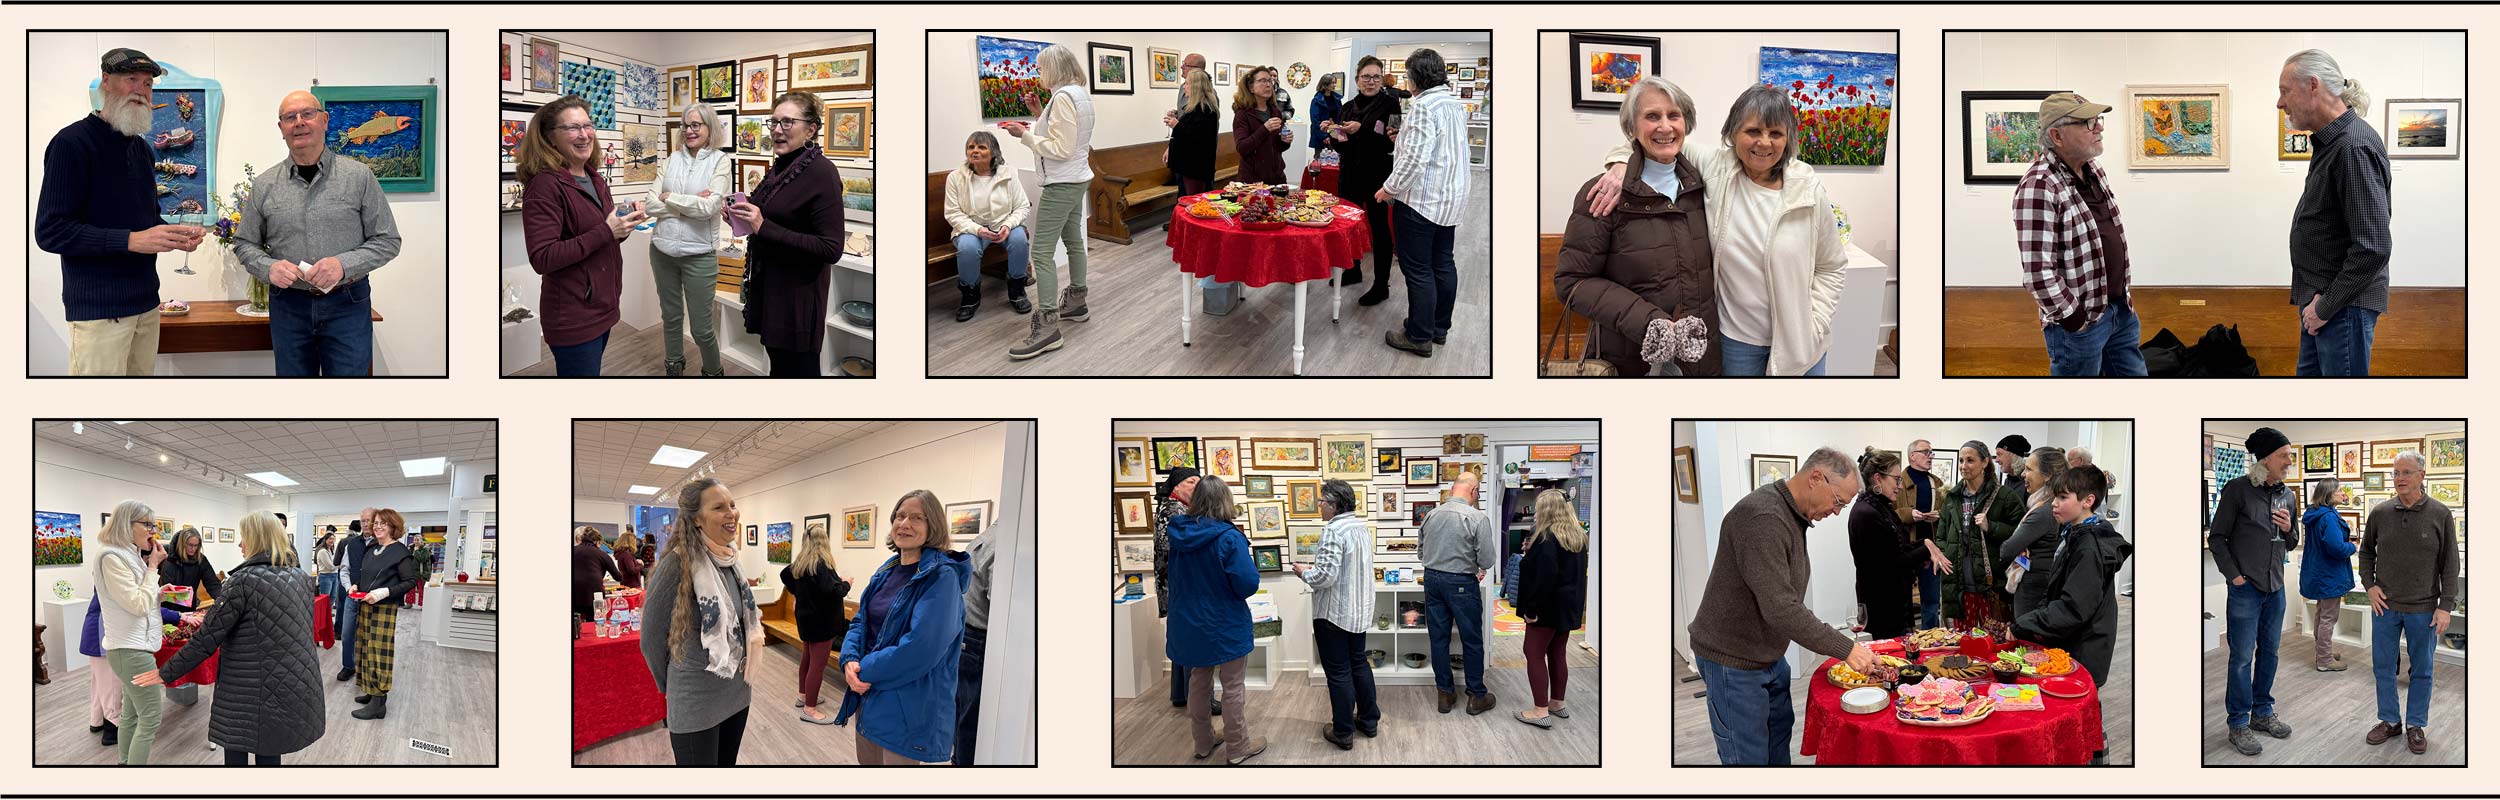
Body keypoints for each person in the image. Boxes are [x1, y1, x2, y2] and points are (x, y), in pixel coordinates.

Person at [1585, 84, 1848, 375]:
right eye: (1753, 131)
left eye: (1776, 134)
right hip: (1737, 343)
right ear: (1733, 133)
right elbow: (1658, 139)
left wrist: (1815, 324)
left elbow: (1832, 266)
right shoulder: (1716, 167)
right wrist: (1621, 164)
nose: (1764, 143)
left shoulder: (1808, 190)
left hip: (1802, 346)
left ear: (1788, 140)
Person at [1691, 448, 1875, 764]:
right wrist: (1847, 648)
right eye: (1838, 501)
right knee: (1747, 757)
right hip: (1733, 659)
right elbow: (1780, 607)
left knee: (1777, 748)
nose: (1836, 511)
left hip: (1768, 654)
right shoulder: (1763, 517)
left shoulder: (1790, 513)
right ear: (1816, 477)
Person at [36, 47, 207, 376]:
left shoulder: (141, 149)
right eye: (131, 79)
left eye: (147, 84)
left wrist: (172, 236)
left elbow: (145, 222)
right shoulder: (71, 144)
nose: (141, 91)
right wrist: (130, 240)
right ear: (106, 82)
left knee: (136, 414)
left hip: (147, 307)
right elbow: (50, 231)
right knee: (99, 420)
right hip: (100, 316)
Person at [1554, 75, 1721, 376]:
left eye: (1674, 116)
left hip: (1700, 359)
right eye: (1652, 116)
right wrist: (1650, 323)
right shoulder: (1603, 193)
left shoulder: (1703, 187)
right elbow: (1572, 281)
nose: (1665, 127)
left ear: (1687, 124)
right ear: (1631, 128)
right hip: (1630, 359)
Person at [132, 511, 324, 765]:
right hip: (292, 681)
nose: (240, 544)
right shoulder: (300, 578)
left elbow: (206, 639)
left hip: (249, 687)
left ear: (257, 539)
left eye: (244, 537)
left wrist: (165, 672)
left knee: (238, 747)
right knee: (270, 749)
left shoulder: (243, 581)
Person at [233, 90, 402, 376]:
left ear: (324, 120)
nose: (299, 122)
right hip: (288, 307)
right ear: (281, 129)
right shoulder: (264, 185)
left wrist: (343, 265)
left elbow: (388, 240)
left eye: (307, 114)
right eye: (290, 117)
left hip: (347, 303)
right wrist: (267, 267)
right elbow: (244, 243)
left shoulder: (359, 177)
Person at [2009, 92, 2142, 376]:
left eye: (2097, 120)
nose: (2099, 127)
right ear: (2057, 136)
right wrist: (2073, 318)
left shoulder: (2094, 170)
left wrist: (2120, 302)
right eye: (2087, 122)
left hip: (2120, 311)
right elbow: (2037, 273)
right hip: (2081, 325)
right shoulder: (2039, 185)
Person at [834, 489, 970, 764]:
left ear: (933, 526)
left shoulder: (941, 579)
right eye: (900, 515)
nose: (904, 523)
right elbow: (861, 621)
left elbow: (919, 648)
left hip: (907, 704)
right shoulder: (888, 569)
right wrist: (849, 660)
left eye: (917, 518)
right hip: (869, 693)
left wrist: (863, 670)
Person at [2278, 50, 2392, 376]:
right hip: (2326, 304)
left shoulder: (2352, 146)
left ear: (2312, 85)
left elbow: (2373, 247)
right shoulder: (2335, 143)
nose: (2280, 103)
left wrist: (2325, 307)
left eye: (2285, 91)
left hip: (2340, 307)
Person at [2010, 464, 2132, 766]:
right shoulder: (2076, 534)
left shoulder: (2088, 545)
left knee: (2080, 721)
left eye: (2063, 497)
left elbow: (2073, 608)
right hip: (2080, 642)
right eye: (2054, 497)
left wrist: (2022, 625)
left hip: (2085, 646)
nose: (2054, 503)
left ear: (2087, 500)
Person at [641, 478, 761, 765]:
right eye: (719, 507)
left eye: (732, 504)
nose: (731, 513)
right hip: (696, 700)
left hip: (737, 693)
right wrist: (671, 686)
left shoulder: (731, 560)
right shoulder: (677, 564)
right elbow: (651, 640)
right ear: (696, 518)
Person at [520, 96, 642, 375]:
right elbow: (543, 257)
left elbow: (604, 235)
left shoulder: (593, 176)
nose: (584, 134)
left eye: (588, 125)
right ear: (550, 138)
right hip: (573, 315)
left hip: (602, 305)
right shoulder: (544, 185)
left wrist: (623, 225)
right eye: (573, 128)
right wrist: (606, 230)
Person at [726, 91, 846, 377]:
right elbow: (767, 216)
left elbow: (831, 248)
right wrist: (740, 216)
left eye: (788, 122)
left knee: (798, 374)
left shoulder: (822, 173)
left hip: (797, 300)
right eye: (774, 122)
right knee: (780, 369)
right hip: (772, 289)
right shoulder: (782, 166)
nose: (778, 130)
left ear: (811, 129)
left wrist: (763, 226)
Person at [2359, 451, 2459, 754]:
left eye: (2406, 472)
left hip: (2425, 608)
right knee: (2383, 667)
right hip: (2385, 607)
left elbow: (2450, 564)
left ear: (2421, 476)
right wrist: (2369, 585)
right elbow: (2366, 553)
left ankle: (2415, 724)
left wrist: (2446, 606)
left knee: (2423, 670)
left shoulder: (2440, 514)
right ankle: (2390, 721)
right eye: (2395, 473)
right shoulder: (2380, 512)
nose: (2399, 479)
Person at [1001, 44, 1096, 362]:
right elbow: (1068, 136)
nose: (1038, 73)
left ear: (1054, 68)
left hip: (1063, 183)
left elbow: (1062, 148)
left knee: (1041, 253)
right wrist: (1039, 113)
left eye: (1041, 68)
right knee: (1073, 242)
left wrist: (1024, 135)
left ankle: (1048, 327)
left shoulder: (1066, 97)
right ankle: (1077, 303)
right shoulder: (1077, 94)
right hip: (1077, 178)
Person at [1162, 476, 1266, 764]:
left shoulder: (1179, 534)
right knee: (1232, 686)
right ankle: (1238, 747)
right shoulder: (1228, 537)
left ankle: (1204, 742)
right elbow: (1246, 584)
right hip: (1224, 623)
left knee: (1198, 682)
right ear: (1224, 501)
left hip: (1189, 623)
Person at [2210, 426, 2300, 756]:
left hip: (2275, 587)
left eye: (2289, 455)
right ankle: (2238, 722)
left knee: (2271, 653)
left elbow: (2292, 541)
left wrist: (2290, 529)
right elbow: (2217, 538)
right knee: (2241, 658)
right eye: (2283, 456)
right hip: (2246, 589)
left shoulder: (2288, 495)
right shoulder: (2237, 491)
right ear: (2265, 459)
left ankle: (2262, 712)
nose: (2289, 461)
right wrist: (2234, 576)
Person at [1378, 49, 1470, 359]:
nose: (1407, 80)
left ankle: (1419, 335)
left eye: (1407, 75)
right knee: (1443, 263)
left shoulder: (1422, 106)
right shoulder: (1453, 104)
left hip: (1421, 201)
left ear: (1416, 77)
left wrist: (1388, 189)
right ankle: (1438, 328)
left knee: (1417, 269)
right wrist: (1401, 139)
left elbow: (1415, 161)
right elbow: (1437, 148)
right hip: (1449, 200)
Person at [1287, 479, 1379, 747]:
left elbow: (1324, 577)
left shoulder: (1334, 530)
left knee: (1339, 673)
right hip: (1357, 613)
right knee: (1359, 665)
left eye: (1322, 502)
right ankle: (1369, 721)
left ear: (1334, 504)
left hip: (1334, 615)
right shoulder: (1359, 528)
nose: (1319, 507)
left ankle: (1343, 732)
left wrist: (1304, 572)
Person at [642, 103, 732, 376]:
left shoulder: (721, 161)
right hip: (662, 251)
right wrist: (690, 203)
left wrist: (670, 198)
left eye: (696, 125)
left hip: (699, 255)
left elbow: (710, 207)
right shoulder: (671, 160)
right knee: (670, 318)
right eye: (686, 125)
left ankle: (713, 372)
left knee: (702, 328)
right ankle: (673, 366)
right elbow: (649, 204)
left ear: (709, 128)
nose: (689, 131)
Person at [95, 500, 170, 763]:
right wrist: (153, 568)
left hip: (132, 648)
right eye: (148, 524)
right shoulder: (112, 557)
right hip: (131, 651)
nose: (153, 530)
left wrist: (159, 593)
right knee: (150, 717)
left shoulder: (127, 554)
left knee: (132, 715)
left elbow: (138, 600)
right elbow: (137, 605)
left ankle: (124, 764)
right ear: (128, 525)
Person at [1421, 471, 1500, 714]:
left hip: (1432, 579)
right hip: (1462, 582)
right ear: (1474, 491)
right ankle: (1476, 695)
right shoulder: (1476, 518)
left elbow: (1420, 553)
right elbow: (1487, 560)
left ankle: (1445, 694)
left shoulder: (1430, 515)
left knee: (1439, 639)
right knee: (1472, 639)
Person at [1327, 56, 1404, 304]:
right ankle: (1352, 269)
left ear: (1381, 79)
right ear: (1357, 79)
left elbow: (1390, 143)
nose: (1370, 82)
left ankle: (1381, 285)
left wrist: (1361, 130)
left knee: (1379, 229)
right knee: (1349, 225)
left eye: (1376, 77)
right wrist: (1334, 135)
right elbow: (1342, 147)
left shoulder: (1391, 104)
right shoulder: (1347, 106)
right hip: (1349, 174)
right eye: (1366, 77)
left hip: (1378, 175)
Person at [1512, 489, 1589, 729]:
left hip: (1545, 610)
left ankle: (1539, 710)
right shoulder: (1577, 538)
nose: (1535, 513)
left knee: (1533, 653)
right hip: (1567, 609)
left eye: (1538, 508)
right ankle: (1557, 703)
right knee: (1558, 654)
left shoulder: (1546, 539)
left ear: (1547, 510)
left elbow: (1543, 579)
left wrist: (1531, 610)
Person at [944, 130, 1032, 322]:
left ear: (994, 152)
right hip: (971, 228)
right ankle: (970, 297)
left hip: (1003, 225)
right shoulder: (955, 178)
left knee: (1019, 239)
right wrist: (978, 230)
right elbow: (952, 213)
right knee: (967, 248)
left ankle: (1017, 291)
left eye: (981, 147)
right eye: (971, 147)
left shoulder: (1009, 174)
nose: (974, 151)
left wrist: (1008, 225)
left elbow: (1023, 206)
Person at [774, 512, 851, 725]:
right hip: (822, 623)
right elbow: (836, 591)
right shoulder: (821, 566)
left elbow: (785, 575)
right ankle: (810, 709)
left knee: (807, 658)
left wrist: (798, 594)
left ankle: (803, 695)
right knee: (817, 665)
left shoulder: (801, 564)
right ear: (823, 542)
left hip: (806, 621)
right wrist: (847, 582)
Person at [1938, 440, 2024, 629]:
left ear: (1985, 462)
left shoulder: (2005, 496)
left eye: (1970, 460)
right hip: (1959, 584)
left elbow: (2021, 533)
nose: (1963, 466)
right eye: (1961, 460)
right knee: (1962, 642)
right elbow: (1941, 535)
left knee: (1993, 643)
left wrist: (1991, 526)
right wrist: (1946, 557)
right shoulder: (1953, 498)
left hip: (1990, 585)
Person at [351, 508, 419, 721]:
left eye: (384, 523)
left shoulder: (400, 552)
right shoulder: (372, 548)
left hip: (384, 608)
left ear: (393, 527)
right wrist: (356, 585)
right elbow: (366, 576)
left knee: (379, 653)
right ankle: (372, 692)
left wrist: (382, 593)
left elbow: (410, 582)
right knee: (364, 649)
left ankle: (379, 703)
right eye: (376, 523)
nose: (378, 526)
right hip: (365, 605)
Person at [1847, 448, 1917, 640]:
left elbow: (1898, 548)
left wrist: (1924, 545)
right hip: (1883, 606)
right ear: (1878, 479)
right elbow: (1893, 564)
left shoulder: (1880, 507)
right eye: (1897, 479)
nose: (1900, 486)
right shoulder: (1867, 513)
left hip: (1891, 602)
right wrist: (1927, 549)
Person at [1150, 467, 1203, 710]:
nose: (1196, 486)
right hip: (1179, 585)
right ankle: (1198, 697)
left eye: (1199, 482)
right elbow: (1169, 545)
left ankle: (1182, 694)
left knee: (1183, 638)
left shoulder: (1177, 508)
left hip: (1176, 585)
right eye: (1191, 481)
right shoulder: (1172, 510)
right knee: (1191, 641)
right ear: (1176, 486)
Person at [2000, 446, 2070, 620]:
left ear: (2047, 475)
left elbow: (2007, 550)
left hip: (2033, 586)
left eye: (2029, 469)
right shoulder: (2049, 506)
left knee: (2027, 640)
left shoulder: (2043, 511)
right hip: (2039, 581)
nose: (2023, 474)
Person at [2299, 477, 2356, 672]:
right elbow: (2336, 548)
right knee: (2328, 617)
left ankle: (2323, 652)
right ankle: (2324, 660)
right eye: (2339, 490)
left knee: (2322, 614)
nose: (2343, 493)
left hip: (2320, 573)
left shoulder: (2315, 513)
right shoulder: (2329, 517)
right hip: (2329, 574)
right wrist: (2353, 547)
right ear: (2329, 494)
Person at [955, 515, 999, 766]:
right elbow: (1001, 605)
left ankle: (959, 760)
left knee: (964, 713)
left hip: (968, 636)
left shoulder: (984, 539)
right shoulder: (1003, 544)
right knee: (973, 718)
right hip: (981, 639)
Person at [1893, 440, 1948, 629]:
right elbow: (1888, 514)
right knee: (1903, 603)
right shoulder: (1897, 481)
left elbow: (1948, 514)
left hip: (1930, 552)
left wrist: (1938, 516)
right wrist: (1910, 514)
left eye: (1932, 452)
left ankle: (1930, 642)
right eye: (1926, 452)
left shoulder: (1937, 483)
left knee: (1931, 603)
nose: (1930, 456)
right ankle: (1907, 643)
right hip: (1906, 551)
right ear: (1912, 455)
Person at [1230, 65, 1293, 184]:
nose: (1268, 85)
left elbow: (1278, 148)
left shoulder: (1275, 111)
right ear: (1251, 87)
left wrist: (1285, 141)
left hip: (1277, 178)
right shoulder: (1242, 114)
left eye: (1270, 80)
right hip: (1252, 182)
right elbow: (1242, 148)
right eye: (1262, 81)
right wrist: (1265, 129)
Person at [1167, 70, 1222, 197]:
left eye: (1187, 83)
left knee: (1193, 202)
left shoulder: (1206, 109)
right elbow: (1190, 127)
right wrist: (1177, 119)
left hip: (1195, 167)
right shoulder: (1194, 107)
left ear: (1196, 87)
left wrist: (1177, 125)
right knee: (1186, 201)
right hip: (1186, 166)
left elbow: (1200, 137)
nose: (1184, 87)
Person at [333, 513, 373, 682]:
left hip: (373, 599)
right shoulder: (352, 544)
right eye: (363, 521)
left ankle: (366, 669)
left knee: (368, 636)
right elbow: (344, 569)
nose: (365, 524)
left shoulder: (383, 544)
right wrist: (349, 588)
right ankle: (348, 666)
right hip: (352, 597)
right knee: (347, 633)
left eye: (368, 521)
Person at [157, 527, 222, 610]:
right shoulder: (165, 554)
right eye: (190, 545)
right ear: (182, 543)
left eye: (196, 546)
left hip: (188, 608)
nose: (193, 549)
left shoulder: (201, 560)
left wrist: (222, 601)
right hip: (165, 608)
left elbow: (213, 584)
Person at [571, 526, 624, 623]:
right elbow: (618, 576)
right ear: (597, 542)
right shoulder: (601, 554)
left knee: (575, 624)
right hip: (594, 595)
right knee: (594, 623)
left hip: (573, 593)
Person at [1308, 73, 1342, 156]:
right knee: (1320, 160)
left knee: (1334, 159)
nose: (1334, 85)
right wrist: (1324, 136)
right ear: (1325, 84)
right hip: (1321, 135)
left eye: (1335, 83)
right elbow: (1315, 121)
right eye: (1332, 83)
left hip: (1334, 133)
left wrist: (1338, 133)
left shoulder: (1337, 99)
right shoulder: (1316, 100)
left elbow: (1340, 116)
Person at [314, 529, 340, 605]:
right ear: (325, 540)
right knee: (325, 599)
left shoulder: (330, 550)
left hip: (334, 576)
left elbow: (334, 565)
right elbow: (330, 567)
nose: (332, 541)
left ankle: (328, 615)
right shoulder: (322, 551)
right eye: (330, 539)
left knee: (333, 597)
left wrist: (337, 564)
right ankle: (324, 616)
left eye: (333, 539)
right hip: (326, 577)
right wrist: (339, 564)